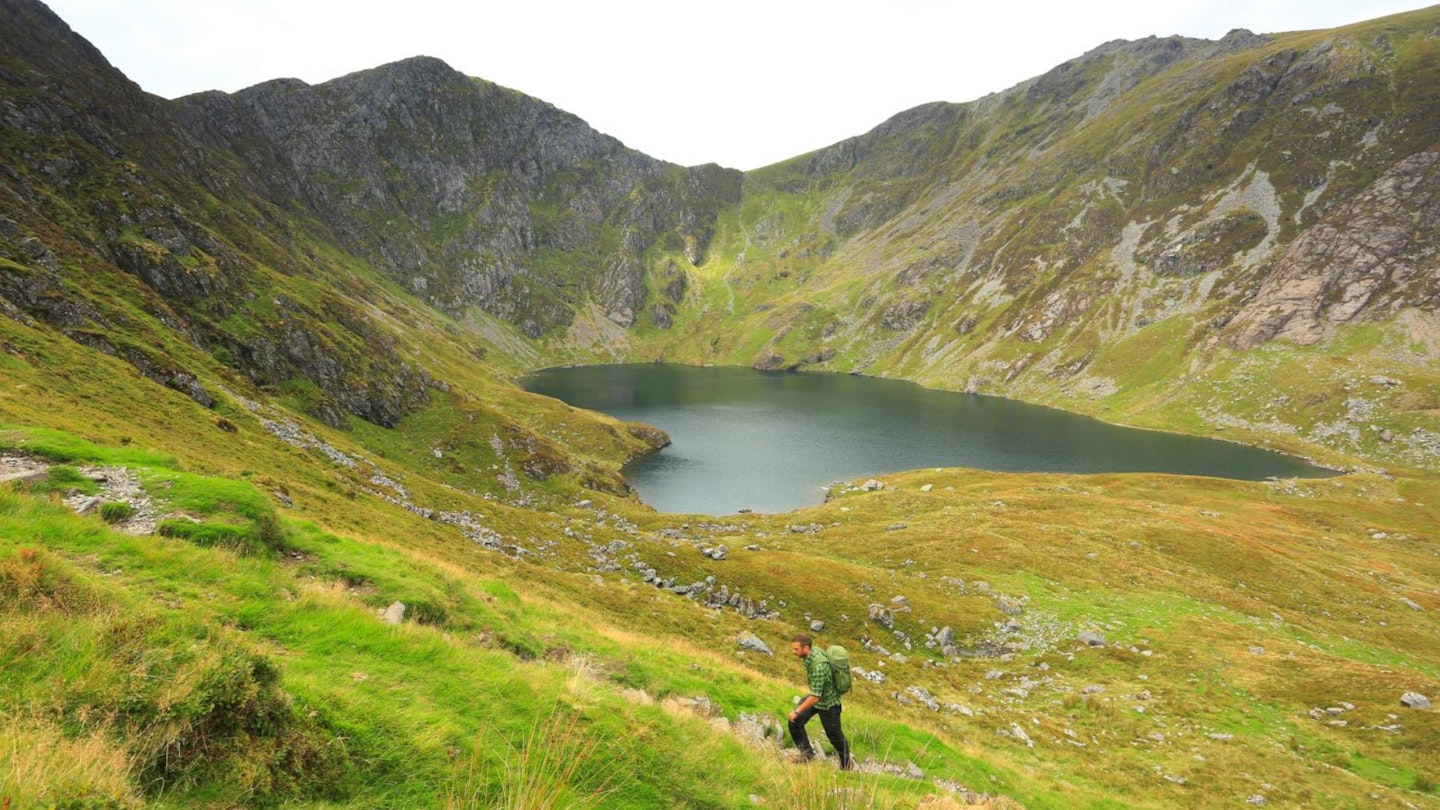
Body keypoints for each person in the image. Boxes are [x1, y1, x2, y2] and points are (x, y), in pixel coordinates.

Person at [787, 633, 852, 768]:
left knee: (835, 737)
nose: (793, 652)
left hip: (829, 704)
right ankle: (807, 755)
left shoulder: (818, 667)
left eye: (796, 649)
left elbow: (815, 697)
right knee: (794, 722)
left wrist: (797, 711)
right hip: (818, 698)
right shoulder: (812, 653)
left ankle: (846, 766)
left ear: (806, 649)